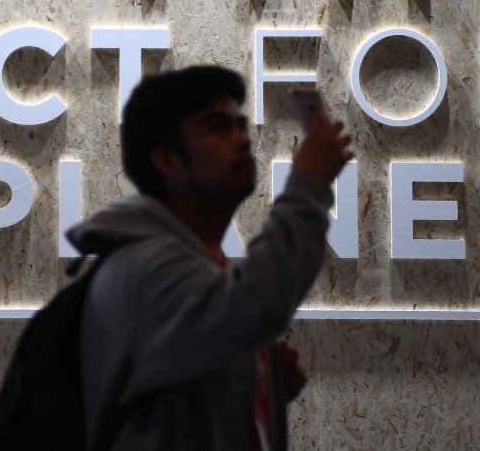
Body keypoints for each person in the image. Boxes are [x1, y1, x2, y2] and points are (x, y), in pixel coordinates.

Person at [65, 65, 352, 450]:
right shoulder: (145, 267)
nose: (242, 140)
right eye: (216, 127)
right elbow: (260, 302)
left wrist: (253, 382)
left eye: (241, 125)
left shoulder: (196, 263)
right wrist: (308, 184)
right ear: (167, 160)